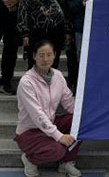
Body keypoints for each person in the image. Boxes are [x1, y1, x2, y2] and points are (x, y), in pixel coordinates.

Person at [15, 39, 82, 177]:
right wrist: (59, 136)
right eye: (41, 55)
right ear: (34, 56)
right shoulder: (26, 82)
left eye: (49, 55)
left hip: (50, 124)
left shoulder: (58, 76)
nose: (45, 59)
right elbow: (38, 115)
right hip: (31, 131)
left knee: (81, 122)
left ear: (55, 55)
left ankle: (66, 162)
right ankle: (29, 159)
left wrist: (84, 115)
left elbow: (69, 102)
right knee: (57, 151)